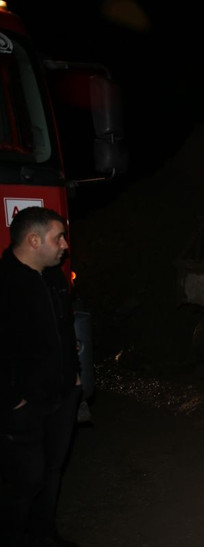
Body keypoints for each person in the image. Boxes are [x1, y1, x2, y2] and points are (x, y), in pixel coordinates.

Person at [0, 207, 83, 547]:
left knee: (51, 473)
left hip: (61, 398)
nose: (64, 245)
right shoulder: (6, 284)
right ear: (33, 240)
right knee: (24, 480)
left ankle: (44, 536)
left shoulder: (53, 277)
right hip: (24, 405)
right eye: (57, 237)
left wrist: (75, 378)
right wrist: (12, 400)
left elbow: (64, 332)